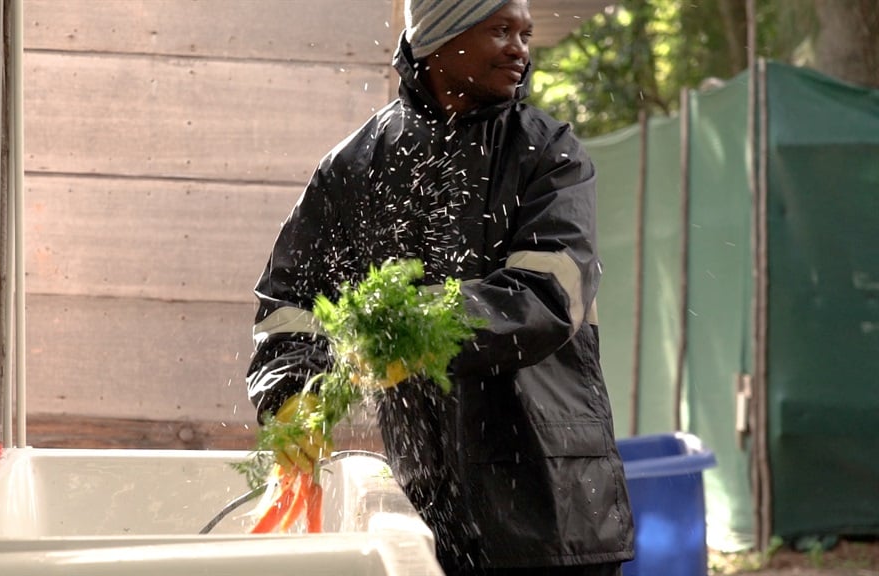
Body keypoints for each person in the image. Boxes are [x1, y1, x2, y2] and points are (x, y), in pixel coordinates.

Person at [245, 0, 635, 574]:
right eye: (500, 30)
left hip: (553, 505)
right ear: (436, 37)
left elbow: (551, 294)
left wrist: (421, 330)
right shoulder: (354, 167)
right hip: (430, 506)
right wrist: (292, 393)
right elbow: (289, 303)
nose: (520, 49)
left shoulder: (549, 153)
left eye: (524, 34)